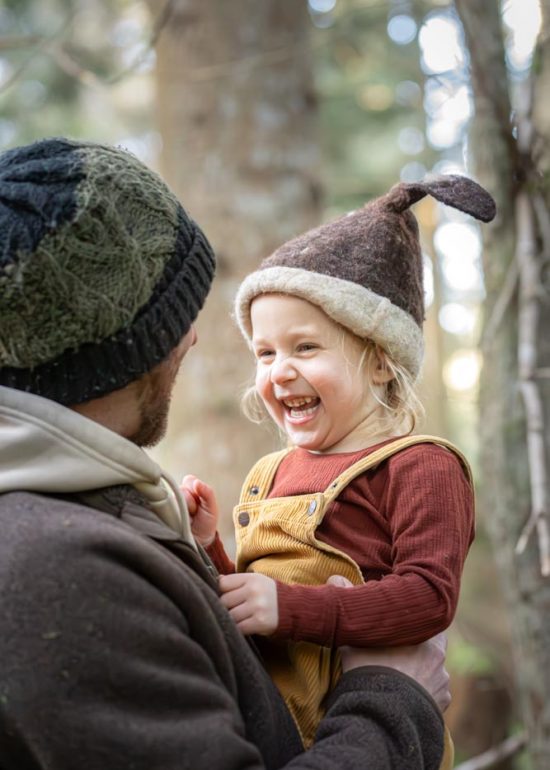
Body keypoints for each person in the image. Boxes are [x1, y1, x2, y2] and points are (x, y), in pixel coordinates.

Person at [0, 136, 451, 770]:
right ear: (128, 347)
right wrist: (396, 700)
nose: (193, 337)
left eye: (305, 348)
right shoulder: (57, 573)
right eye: (180, 312)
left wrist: (207, 556)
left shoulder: (82, 507)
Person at [181, 174, 496, 761]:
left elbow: (430, 597)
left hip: (369, 731)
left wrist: (290, 609)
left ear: (380, 361)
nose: (278, 370)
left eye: (305, 347)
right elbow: (253, 607)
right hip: (272, 730)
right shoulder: (269, 473)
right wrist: (209, 551)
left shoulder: (421, 466)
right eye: (265, 352)